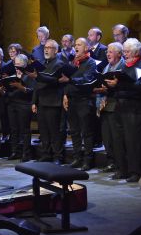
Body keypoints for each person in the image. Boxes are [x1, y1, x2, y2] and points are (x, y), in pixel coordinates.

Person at [105, 38, 141, 182]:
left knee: (132, 141)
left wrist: (120, 84)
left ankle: (134, 171)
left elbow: (138, 86)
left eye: (127, 51)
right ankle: (122, 169)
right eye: (124, 51)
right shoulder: (124, 65)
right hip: (119, 105)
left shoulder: (139, 65)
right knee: (118, 139)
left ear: (136, 51)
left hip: (134, 108)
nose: (125, 54)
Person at [60, 37, 97, 171]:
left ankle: (88, 160)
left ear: (86, 48)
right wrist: (65, 95)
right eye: (75, 44)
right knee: (74, 131)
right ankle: (77, 158)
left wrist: (70, 78)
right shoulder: (73, 62)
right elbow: (67, 83)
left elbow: (86, 79)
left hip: (84, 101)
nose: (76, 46)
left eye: (79, 44)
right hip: (72, 100)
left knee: (86, 132)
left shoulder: (91, 63)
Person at [31, 39, 65, 164]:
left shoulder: (59, 64)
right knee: (43, 131)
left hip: (53, 102)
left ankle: (57, 156)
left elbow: (53, 80)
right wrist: (34, 102)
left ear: (56, 50)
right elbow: (37, 85)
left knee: (54, 131)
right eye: (45, 47)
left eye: (50, 47)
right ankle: (46, 154)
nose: (46, 49)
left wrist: (38, 76)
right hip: (42, 102)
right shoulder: (41, 64)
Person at [93, 42, 125, 174]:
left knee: (116, 138)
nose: (108, 54)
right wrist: (100, 88)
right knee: (107, 138)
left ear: (119, 53)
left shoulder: (123, 67)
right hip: (104, 105)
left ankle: (120, 166)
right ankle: (111, 162)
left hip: (116, 106)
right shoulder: (107, 66)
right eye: (107, 52)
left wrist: (113, 86)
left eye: (111, 52)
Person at [5, 54, 36, 162]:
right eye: (15, 64)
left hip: (24, 105)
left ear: (24, 64)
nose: (16, 67)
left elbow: (32, 90)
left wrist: (22, 88)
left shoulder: (29, 76)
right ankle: (15, 151)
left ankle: (26, 153)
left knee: (25, 130)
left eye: (18, 64)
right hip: (12, 104)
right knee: (13, 129)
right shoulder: (13, 76)